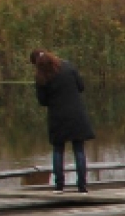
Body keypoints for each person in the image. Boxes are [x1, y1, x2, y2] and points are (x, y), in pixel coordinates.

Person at [29, 49, 95, 192]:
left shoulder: (41, 77)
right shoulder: (68, 66)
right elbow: (81, 87)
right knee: (79, 150)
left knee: (58, 150)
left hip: (57, 116)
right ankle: (82, 186)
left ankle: (59, 186)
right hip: (76, 114)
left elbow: (42, 101)